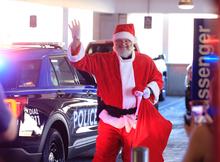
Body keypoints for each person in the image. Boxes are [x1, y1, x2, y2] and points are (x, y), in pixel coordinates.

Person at [67, 20, 172, 162]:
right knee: (102, 157)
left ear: (133, 42)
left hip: (135, 121)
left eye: (127, 40)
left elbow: (157, 79)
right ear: (114, 43)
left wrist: (148, 90)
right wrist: (76, 41)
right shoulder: (103, 60)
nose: (123, 43)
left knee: (136, 159)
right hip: (110, 120)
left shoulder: (145, 61)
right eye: (119, 41)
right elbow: (80, 61)